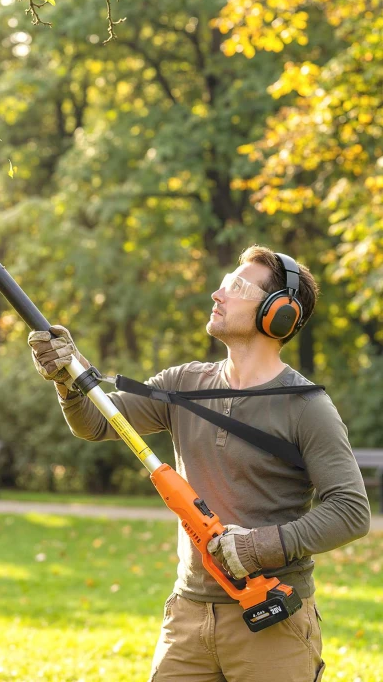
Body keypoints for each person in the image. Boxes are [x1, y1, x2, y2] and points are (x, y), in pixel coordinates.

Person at [28, 245, 370, 682]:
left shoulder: (307, 406)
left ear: (278, 313)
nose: (217, 293)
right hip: (188, 616)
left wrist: (259, 546)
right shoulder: (183, 383)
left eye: (237, 287)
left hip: (270, 619)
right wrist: (69, 380)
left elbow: (351, 511)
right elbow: (97, 422)